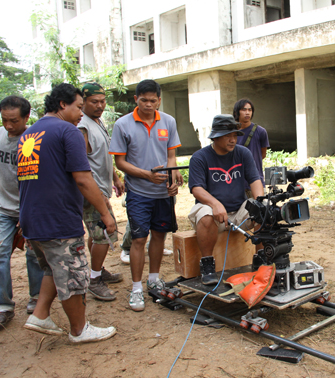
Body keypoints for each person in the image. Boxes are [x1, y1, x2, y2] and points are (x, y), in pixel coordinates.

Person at [18, 83, 117, 343]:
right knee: (73, 274)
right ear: (62, 105)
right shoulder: (67, 131)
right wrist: (105, 214)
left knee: (53, 267)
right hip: (58, 219)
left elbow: (25, 180)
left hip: (33, 218)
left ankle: (39, 314)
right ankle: (79, 329)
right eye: (77, 107)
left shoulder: (30, 134)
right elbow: (83, 179)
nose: (81, 113)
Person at [109, 79, 183, 312]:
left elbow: (171, 156)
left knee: (159, 235)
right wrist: (146, 175)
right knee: (139, 239)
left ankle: (153, 279)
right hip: (139, 192)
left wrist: (172, 178)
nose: (149, 105)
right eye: (144, 100)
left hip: (163, 193)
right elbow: (120, 161)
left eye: (153, 100)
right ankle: (137, 288)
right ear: (136, 99)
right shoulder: (123, 125)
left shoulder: (168, 121)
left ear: (159, 100)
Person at [0, 96, 44, 328]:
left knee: (34, 254)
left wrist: (28, 212)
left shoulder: (33, 140)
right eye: (4, 120)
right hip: (1, 208)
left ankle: (37, 297)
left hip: (28, 208)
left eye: (14, 120)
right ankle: (2, 306)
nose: (8, 125)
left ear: (26, 117)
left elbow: (39, 181)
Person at [188, 114, 263, 285]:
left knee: (264, 209)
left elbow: (254, 180)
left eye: (235, 135)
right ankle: (207, 264)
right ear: (215, 137)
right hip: (213, 214)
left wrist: (261, 202)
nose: (232, 139)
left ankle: (260, 259)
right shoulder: (200, 157)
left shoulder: (243, 153)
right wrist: (215, 203)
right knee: (206, 214)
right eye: (227, 135)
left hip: (239, 213)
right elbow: (196, 188)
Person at [77, 82, 124, 301]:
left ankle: (97, 269)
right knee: (106, 233)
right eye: (94, 102)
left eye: (102, 101)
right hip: (93, 191)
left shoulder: (98, 121)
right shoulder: (82, 127)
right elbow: (81, 165)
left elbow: (103, 155)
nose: (100, 105)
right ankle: (94, 280)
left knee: (98, 236)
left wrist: (115, 177)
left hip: (102, 187)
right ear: (83, 102)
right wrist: (97, 194)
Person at [233, 99, 270, 190]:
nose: (247, 113)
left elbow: (262, 155)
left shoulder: (260, 131)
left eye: (250, 110)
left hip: (256, 182)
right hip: (234, 183)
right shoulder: (231, 133)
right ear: (237, 112)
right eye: (244, 110)